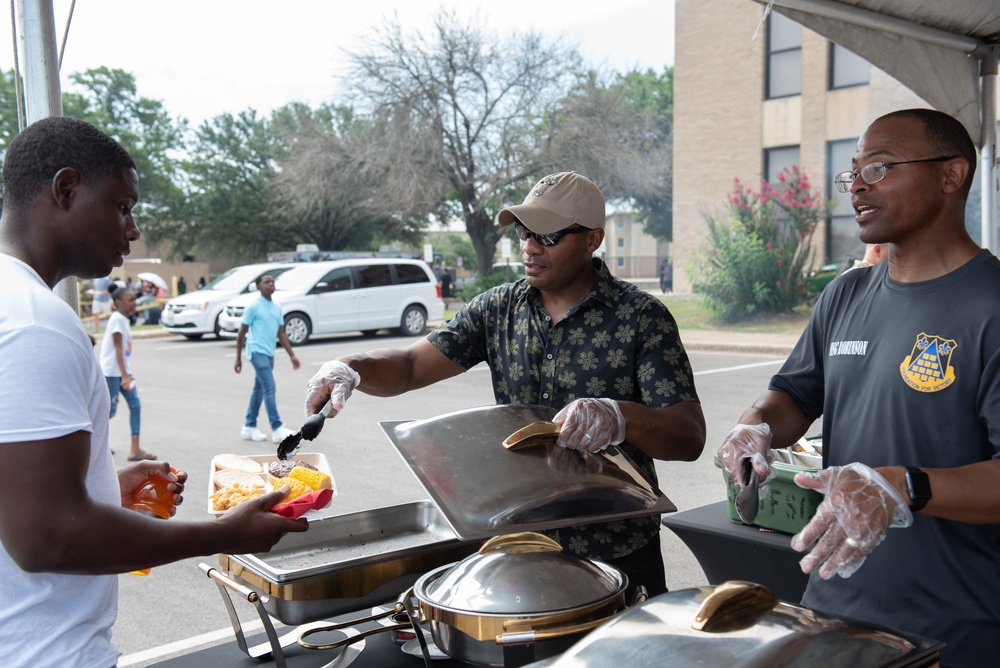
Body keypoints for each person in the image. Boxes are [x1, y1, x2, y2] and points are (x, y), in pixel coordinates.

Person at [303, 171, 706, 595]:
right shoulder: (499, 309)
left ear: (592, 239)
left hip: (617, 546)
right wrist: (349, 365)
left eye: (548, 236)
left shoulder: (642, 317)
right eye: (524, 232)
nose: (530, 247)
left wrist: (619, 416)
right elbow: (409, 365)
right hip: (520, 542)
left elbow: (689, 436)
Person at [0, 117, 307, 668]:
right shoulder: (33, 323)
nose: (133, 229)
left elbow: (22, 501)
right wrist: (221, 534)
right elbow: (46, 537)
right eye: (122, 206)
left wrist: (101, 488)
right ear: (66, 191)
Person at [716, 109, 999, 667]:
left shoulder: (990, 306)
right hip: (834, 612)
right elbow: (795, 395)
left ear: (952, 175)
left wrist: (903, 486)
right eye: (854, 173)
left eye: (881, 167)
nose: (858, 186)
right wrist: (755, 428)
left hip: (955, 631)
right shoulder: (846, 295)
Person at [235, 274, 301, 444]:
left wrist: (292, 355)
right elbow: (241, 333)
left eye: (272, 281)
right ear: (258, 286)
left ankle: (249, 427)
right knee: (270, 387)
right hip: (256, 352)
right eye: (266, 282)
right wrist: (238, 358)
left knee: (259, 389)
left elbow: (281, 333)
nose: (271, 284)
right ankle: (277, 428)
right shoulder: (253, 307)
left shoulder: (277, 308)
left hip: (269, 353)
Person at [99, 284, 155, 461]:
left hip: (124, 372)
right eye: (130, 300)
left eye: (134, 299)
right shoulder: (116, 319)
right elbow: (117, 350)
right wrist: (124, 375)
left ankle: (135, 449)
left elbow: (123, 351)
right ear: (118, 302)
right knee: (109, 411)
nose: (134, 303)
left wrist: (127, 374)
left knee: (135, 406)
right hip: (112, 373)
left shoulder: (123, 319)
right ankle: (98, 446)